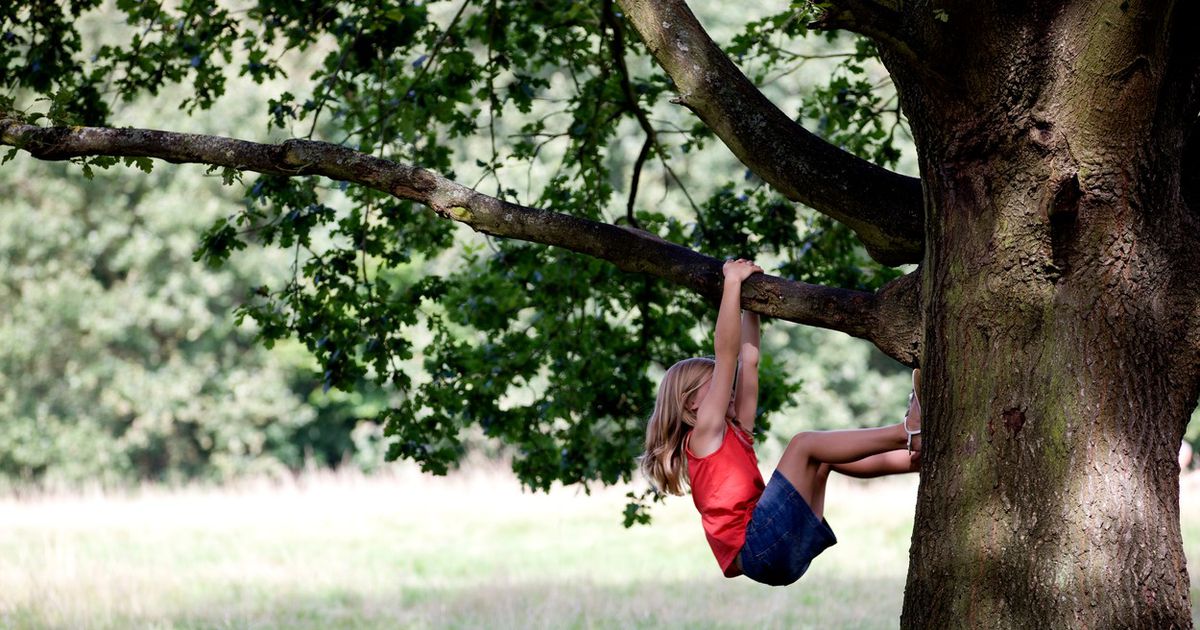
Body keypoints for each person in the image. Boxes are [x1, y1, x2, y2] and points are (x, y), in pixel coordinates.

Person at [639, 258, 921, 586]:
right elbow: (728, 355)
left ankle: (917, 459)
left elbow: (749, 362)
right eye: (715, 383)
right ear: (689, 402)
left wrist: (751, 304)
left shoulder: (735, 432)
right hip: (760, 548)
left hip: (775, 553)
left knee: (823, 459)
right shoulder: (704, 436)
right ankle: (907, 432)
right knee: (804, 444)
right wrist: (731, 282)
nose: (726, 389)